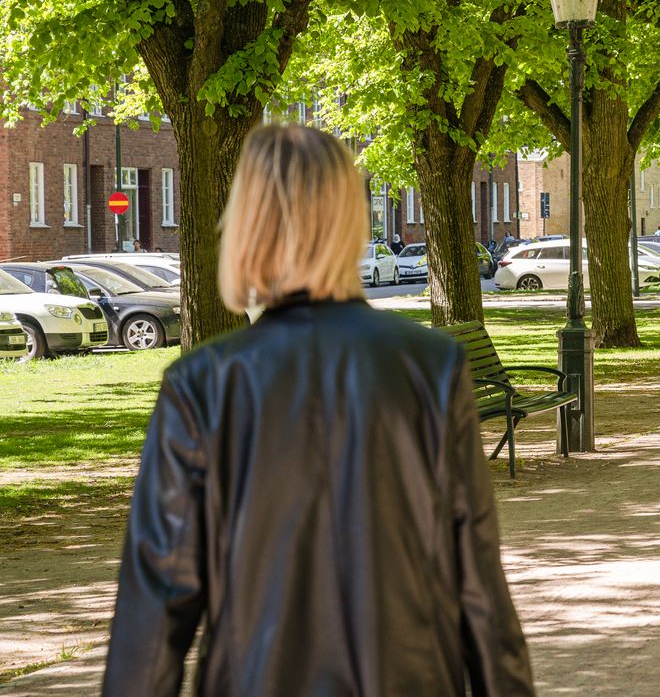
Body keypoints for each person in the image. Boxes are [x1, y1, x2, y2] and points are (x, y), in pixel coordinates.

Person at [103, 125, 534, 697]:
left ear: (246, 224)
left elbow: (155, 610)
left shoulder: (202, 385)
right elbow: (478, 585)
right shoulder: (430, 368)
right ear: (350, 219)